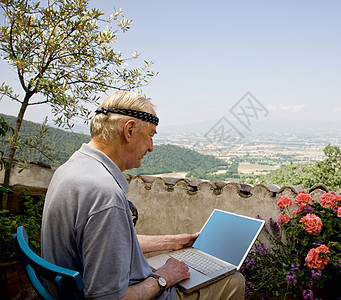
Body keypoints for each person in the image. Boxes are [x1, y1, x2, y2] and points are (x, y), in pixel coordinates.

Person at [41, 91, 245, 300]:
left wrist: (171, 242)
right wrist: (163, 278)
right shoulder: (105, 195)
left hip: (67, 293)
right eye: (150, 136)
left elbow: (107, 243)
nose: (151, 147)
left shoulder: (71, 168)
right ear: (129, 130)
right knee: (233, 281)